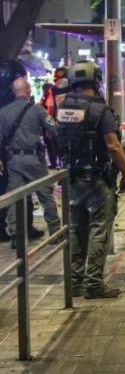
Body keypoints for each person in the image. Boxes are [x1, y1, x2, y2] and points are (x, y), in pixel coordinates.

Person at [57, 60, 125, 298]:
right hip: (97, 180)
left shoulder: (63, 107)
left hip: (72, 179)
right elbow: (113, 145)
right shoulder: (100, 110)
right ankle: (93, 284)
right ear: (96, 80)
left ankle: (75, 282)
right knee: (99, 230)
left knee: (76, 230)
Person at [0, 78, 60, 248]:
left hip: (14, 161)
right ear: (28, 90)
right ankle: (55, 232)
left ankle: (16, 236)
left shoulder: (3, 112)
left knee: (15, 197)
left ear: (13, 91)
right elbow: (54, 130)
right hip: (34, 160)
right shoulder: (38, 110)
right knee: (45, 195)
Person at [0, 60, 35, 243]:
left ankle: (20, 228)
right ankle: (21, 229)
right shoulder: (13, 103)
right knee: (18, 189)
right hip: (13, 152)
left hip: (9, 152)